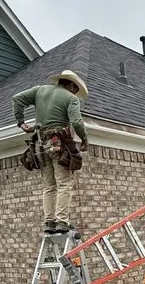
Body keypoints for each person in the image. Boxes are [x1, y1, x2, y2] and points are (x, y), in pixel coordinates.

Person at [13, 70, 89, 234]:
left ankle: (49, 222)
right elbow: (76, 121)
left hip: (39, 145)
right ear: (70, 85)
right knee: (64, 183)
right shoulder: (70, 98)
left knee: (49, 185)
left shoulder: (39, 90)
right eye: (75, 90)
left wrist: (21, 122)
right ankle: (62, 221)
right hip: (58, 144)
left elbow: (17, 98)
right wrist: (84, 138)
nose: (75, 94)